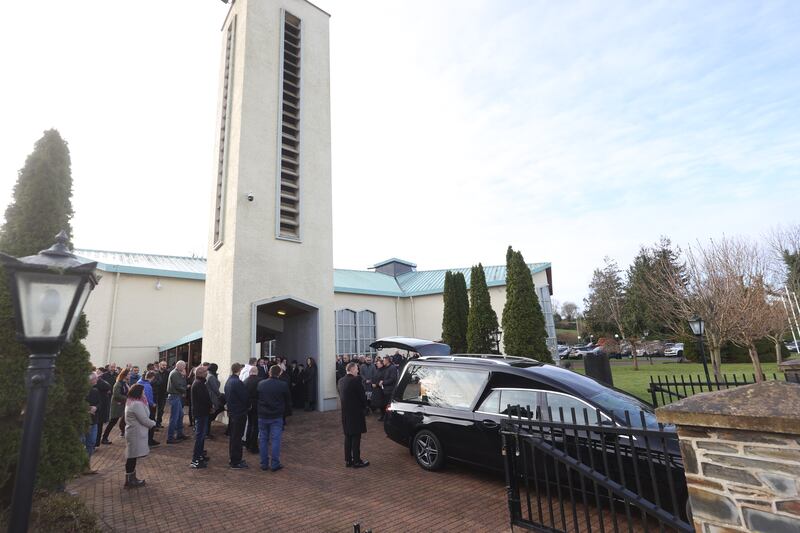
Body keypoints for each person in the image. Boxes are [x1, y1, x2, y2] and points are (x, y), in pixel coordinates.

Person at [257, 365, 291, 472]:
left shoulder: (261, 384)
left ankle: (264, 463)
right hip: (276, 416)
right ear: (279, 373)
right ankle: (275, 464)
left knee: (263, 440)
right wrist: (286, 413)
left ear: (269, 373)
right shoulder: (283, 385)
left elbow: (257, 398)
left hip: (263, 415)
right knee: (275, 440)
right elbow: (287, 401)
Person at [123, 384, 156, 489]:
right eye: (143, 392)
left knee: (132, 456)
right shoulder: (136, 404)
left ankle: (131, 478)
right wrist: (153, 424)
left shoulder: (131, 402)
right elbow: (144, 418)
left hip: (133, 432)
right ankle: (130, 481)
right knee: (132, 457)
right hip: (136, 433)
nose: (144, 394)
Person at [338, 362, 369, 468]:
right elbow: (362, 396)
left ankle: (348, 460)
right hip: (356, 414)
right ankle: (356, 461)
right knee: (356, 437)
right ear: (351, 369)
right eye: (356, 369)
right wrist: (365, 406)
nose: (358, 371)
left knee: (348, 437)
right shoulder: (356, 380)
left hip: (345, 414)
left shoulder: (341, 381)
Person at [224, 363, 249, 469]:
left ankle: (234, 458)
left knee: (234, 437)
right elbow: (245, 397)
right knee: (237, 437)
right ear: (239, 370)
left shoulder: (229, 381)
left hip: (233, 412)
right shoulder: (237, 382)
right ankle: (236, 461)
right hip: (239, 413)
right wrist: (248, 406)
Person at [190, 365, 212, 468]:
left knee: (201, 436)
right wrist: (210, 406)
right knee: (200, 436)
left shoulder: (200, 383)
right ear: (201, 374)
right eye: (205, 372)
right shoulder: (199, 384)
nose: (207, 373)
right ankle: (195, 460)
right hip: (201, 413)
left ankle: (199, 455)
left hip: (202, 413)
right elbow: (204, 399)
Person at [103, 368, 130, 443]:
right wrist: (127, 398)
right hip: (117, 405)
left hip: (122, 405)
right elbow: (116, 395)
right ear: (125, 375)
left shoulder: (125, 383)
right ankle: (104, 438)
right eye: (129, 374)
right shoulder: (118, 383)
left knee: (122, 420)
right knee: (112, 422)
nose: (130, 375)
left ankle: (123, 432)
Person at [82, 373, 101, 475]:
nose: (97, 381)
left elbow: (99, 403)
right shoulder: (81, 391)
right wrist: (87, 409)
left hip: (94, 421)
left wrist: (96, 408)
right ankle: (77, 468)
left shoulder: (95, 391)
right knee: (81, 444)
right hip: (83, 421)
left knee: (91, 443)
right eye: (95, 379)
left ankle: (86, 466)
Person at [166, 360, 188, 444]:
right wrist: (186, 389)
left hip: (176, 396)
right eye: (183, 367)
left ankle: (179, 434)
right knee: (174, 418)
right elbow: (178, 385)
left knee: (180, 415)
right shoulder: (175, 374)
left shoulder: (176, 373)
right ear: (179, 366)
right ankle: (170, 437)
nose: (184, 369)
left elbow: (180, 384)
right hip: (174, 396)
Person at [244, 366, 263, 454]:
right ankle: (253, 446)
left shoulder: (245, 381)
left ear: (250, 372)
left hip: (248, 405)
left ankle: (247, 443)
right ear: (257, 372)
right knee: (255, 426)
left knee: (250, 424)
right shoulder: (260, 381)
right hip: (256, 405)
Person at [138, 371, 160, 447]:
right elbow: (148, 397)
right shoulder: (147, 386)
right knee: (151, 423)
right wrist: (153, 404)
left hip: (140, 406)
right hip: (147, 407)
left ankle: (143, 440)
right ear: (152, 378)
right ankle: (150, 440)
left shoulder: (139, 382)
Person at [93, 368, 112, 448]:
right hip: (97, 406)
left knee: (98, 425)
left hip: (100, 408)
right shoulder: (97, 383)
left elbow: (108, 386)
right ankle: (95, 443)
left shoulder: (100, 383)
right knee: (96, 426)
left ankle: (96, 443)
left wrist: (98, 378)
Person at [206, 363, 224, 438]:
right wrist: (220, 395)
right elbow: (215, 388)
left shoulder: (208, 375)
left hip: (210, 396)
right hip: (212, 397)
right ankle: (207, 432)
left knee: (209, 416)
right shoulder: (211, 377)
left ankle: (207, 432)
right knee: (210, 415)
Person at [379, 355, 398, 421]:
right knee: (385, 404)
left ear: (387, 361)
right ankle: (386, 417)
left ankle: (389, 418)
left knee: (389, 405)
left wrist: (383, 382)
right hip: (385, 389)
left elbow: (393, 379)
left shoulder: (392, 368)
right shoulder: (386, 368)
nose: (383, 362)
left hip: (390, 390)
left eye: (384, 360)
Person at [155, 360, 169, 428]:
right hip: (156, 393)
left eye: (165, 365)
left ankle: (158, 422)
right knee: (154, 409)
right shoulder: (155, 373)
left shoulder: (168, 373)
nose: (164, 366)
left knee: (161, 409)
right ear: (159, 365)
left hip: (163, 394)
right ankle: (153, 423)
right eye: (163, 365)